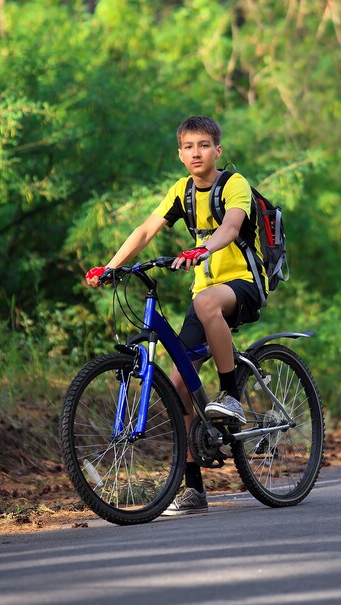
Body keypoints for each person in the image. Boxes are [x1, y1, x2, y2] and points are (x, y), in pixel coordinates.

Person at [86, 115, 267, 514]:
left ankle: (231, 396)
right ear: (180, 154)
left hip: (243, 284)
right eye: (188, 147)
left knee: (205, 304)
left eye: (204, 145)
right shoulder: (181, 191)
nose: (196, 153)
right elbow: (146, 230)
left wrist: (202, 250)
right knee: (178, 385)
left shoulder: (233, 185)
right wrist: (110, 266)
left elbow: (232, 228)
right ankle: (194, 490)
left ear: (217, 150)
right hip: (205, 291)